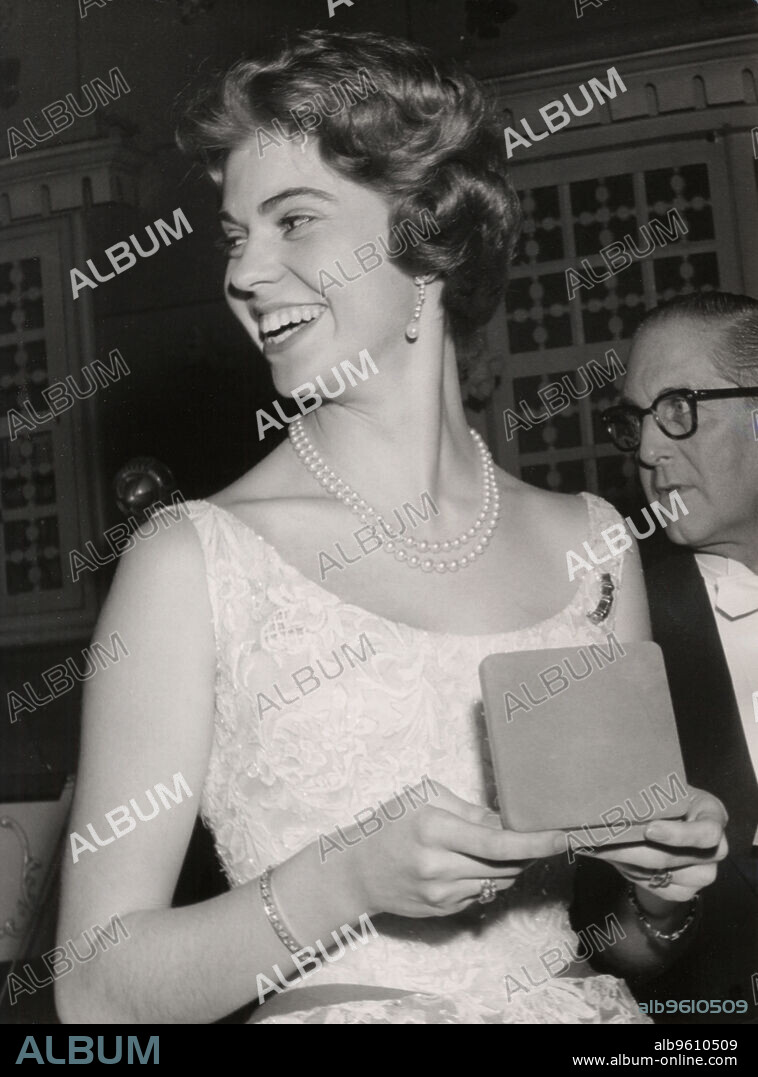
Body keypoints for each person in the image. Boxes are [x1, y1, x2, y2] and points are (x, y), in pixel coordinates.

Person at [55, 30, 727, 1025]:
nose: (246, 272)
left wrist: (662, 899)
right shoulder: (192, 559)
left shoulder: (592, 546)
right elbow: (94, 991)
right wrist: (343, 881)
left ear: (427, 238)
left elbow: (610, 949)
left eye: (294, 220)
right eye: (236, 236)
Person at [600, 293, 758, 1023]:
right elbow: (616, 952)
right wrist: (660, 900)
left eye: (679, 408)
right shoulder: (619, 630)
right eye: (635, 420)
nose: (647, 449)